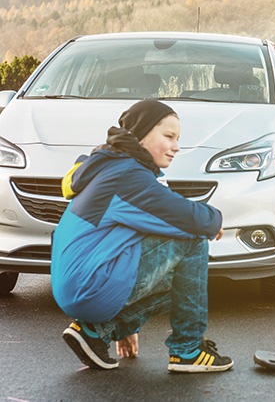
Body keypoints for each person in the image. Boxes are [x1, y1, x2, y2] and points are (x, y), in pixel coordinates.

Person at [51, 100, 233, 373]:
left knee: (184, 278)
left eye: (178, 139)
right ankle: (188, 350)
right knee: (193, 241)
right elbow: (183, 215)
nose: (176, 146)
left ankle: (96, 332)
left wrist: (125, 325)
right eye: (168, 137)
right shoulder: (128, 175)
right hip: (91, 285)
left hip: (79, 284)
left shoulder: (110, 167)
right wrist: (214, 221)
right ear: (140, 135)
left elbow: (156, 225)